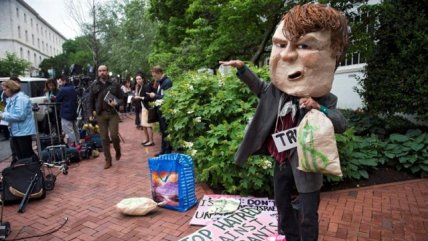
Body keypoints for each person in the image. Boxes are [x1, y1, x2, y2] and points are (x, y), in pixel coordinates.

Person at [220, 3, 348, 241]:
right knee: (282, 206)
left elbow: (341, 124)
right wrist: (242, 69)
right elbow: (259, 87)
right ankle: (290, 237)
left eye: (303, 45)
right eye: (281, 45)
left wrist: (318, 107)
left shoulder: (324, 98)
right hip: (280, 159)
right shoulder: (276, 93)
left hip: (305, 163)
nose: (288, 55)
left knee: (308, 213)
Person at [88, 65, 124, 169]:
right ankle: (108, 160)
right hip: (100, 114)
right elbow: (90, 101)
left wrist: (116, 102)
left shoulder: (114, 84)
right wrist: (90, 114)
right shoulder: (94, 85)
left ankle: (118, 150)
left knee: (114, 135)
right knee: (104, 138)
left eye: (104, 70)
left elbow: (122, 98)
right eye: (100, 71)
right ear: (98, 73)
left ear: (107, 71)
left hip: (112, 113)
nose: (102, 72)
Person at [0, 79, 37, 164]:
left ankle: (33, 171)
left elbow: (20, 115)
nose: (4, 92)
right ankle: (30, 170)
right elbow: (9, 112)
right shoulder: (12, 98)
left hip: (22, 131)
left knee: (26, 154)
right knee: (21, 154)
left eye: (5, 89)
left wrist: (2, 115)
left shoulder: (21, 99)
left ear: (11, 88)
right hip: (16, 131)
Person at [147, 65, 172, 156]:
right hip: (160, 110)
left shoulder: (167, 82)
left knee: (165, 131)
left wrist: (155, 96)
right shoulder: (161, 82)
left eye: (154, 75)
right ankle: (163, 150)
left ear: (159, 73)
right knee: (163, 130)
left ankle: (167, 151)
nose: (154, 77)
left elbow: (167, 97)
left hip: (164, 110)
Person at [56, 76, 79, 146]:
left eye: (60, 81)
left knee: (68, 130)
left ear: (63, 81)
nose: (59, 83)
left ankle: (73, 146)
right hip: (73, 112)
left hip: (65, 112)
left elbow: (57, 99)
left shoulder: (63, 90)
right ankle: (78, 143)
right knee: (75, 129)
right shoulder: (73, 88)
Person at [134, 74, 155, 146]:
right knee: (144, 125)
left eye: (139, 79)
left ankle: (151, 141)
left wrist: (140, 98)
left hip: (147, 107)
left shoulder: (147, 86)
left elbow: (148, 98)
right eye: (137, 79)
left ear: (143, 79)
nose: (138, 80)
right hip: (143, 107)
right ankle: (147, 139)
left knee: (148, 125)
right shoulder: (140, 87)